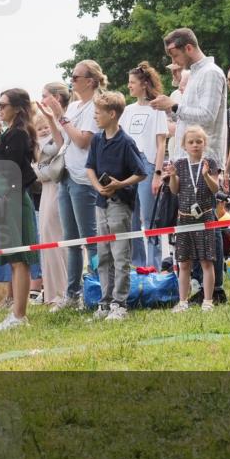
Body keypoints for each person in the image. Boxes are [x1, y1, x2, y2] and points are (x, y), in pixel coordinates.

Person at [151, 28, 228, 298]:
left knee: (207, 220)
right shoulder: (195, 74)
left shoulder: (211, 73)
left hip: (205, 157)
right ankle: (198, 282)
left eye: (173, 53)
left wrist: (172, 106)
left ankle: (215, 288)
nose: (173, 59)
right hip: (186, 158)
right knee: (190, 219)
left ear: (188, 47)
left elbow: (206, 116)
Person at [36, 60, 105, 311]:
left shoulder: (96, 106)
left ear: (90, 81)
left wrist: (61, 116)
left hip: (84, 177)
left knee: (90, 238)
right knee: (70, 239)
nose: (71, 81)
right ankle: (72, 293)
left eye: (75, 77)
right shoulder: (75, 105)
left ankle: (98, 288)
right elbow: (62, 140)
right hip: (66, 175)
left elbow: (83, 141)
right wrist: (52, 119)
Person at [0, 90, 40, 330]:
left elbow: (6, 169)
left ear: (18, 108)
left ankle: (19, 315)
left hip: (13, 198)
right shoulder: (11, 134)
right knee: (13, 259)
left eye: (2, 105)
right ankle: (16, 313)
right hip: (8, 197)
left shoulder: (17, 134)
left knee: (18, 259)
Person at [84, 91, 147, 320]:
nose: (95, 117)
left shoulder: (126, 142)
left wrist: (120, 184)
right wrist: (97, 186)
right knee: (103, 254)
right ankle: (105, 302)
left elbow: (141, 173)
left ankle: (120, 304)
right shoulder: (97, 140)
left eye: (98, 113)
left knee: (121, 255)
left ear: (112, 114)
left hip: (120, 204)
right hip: (100, 203)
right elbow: (89, 167)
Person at [166, 126, 220, 312]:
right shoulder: (180, 165)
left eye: (199, 141)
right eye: (191, 142)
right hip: (185, 218)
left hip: (204, 217)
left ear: (204, 143)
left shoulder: (210, 163)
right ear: (184, 145)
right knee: (184, 262)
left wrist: (205, 175)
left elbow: (215, 189)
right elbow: (174, 190)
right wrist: (172, 176)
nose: (195, 145)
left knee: (206, 261)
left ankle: (208, 300)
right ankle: (182, 301)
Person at [121, 61, 168, 269]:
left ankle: (154, 267)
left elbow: (161, 143)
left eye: (132, 82)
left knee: (150, 221)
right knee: (131, 221)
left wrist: (157, 174)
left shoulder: (156, 108)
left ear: (144, 84)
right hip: (128, 168)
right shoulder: (127, 110)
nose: (129, 86)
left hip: (148, 166)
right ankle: (138, 266)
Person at [34, 82, 70, 305]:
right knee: (46, 236)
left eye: (45, 95)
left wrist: (38, 170)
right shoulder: (41, 127)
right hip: (46, 189)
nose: (42, 99)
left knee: (57, 237)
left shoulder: (63, 122)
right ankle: (52, 291)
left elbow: (61, 150)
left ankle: (62, 291)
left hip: (58, 186)